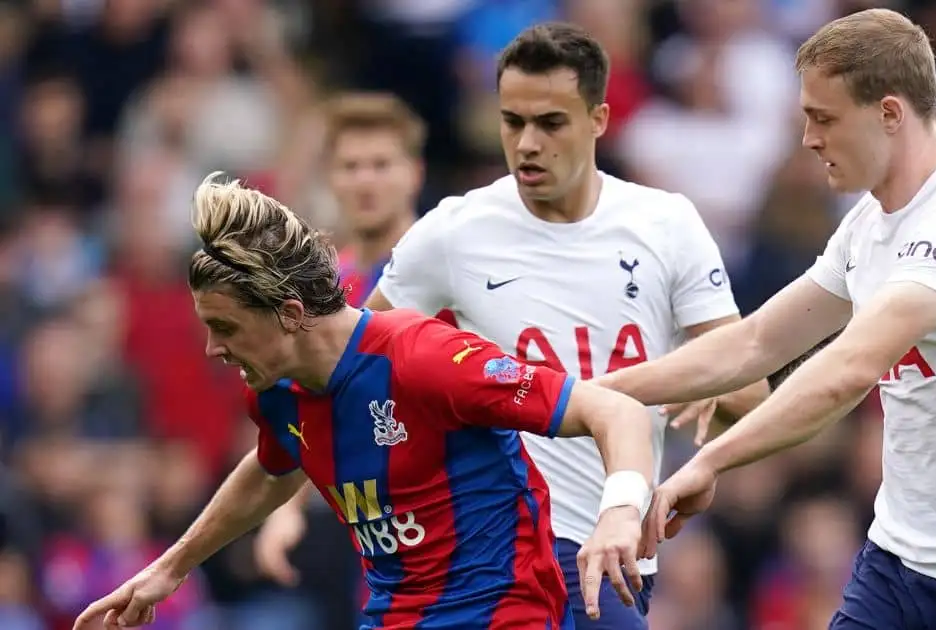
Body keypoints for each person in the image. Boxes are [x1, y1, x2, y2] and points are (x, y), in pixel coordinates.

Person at [254, 21, 768, 630]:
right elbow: (342, 378)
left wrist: (699, 384)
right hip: (501, 554)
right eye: (512, 122)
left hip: (620, 546)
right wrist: (287, 503)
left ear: (599, 119)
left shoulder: (666, 224)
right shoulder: (455, 233)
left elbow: (747, 393)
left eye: (550, 123)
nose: (527, 143)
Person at [599, 9, 936, 630]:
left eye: (823, 118)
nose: (807, 138)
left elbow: (847, 371)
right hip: (897, 558)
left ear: (888, 113)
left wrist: (710, 460)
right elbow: (754, 342)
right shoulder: (868, 223)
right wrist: (595, 395)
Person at [71, 174, 657, 630]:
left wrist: (621, 512)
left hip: (502, 613)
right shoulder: (276, 391)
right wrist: (168, 570)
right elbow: (272, 469)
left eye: (225, 326)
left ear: (291, 315)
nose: (212, 348)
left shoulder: (421, 358)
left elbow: (616, 411)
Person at [252, 92, 455, 626]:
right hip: (375, 533)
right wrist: (287, 510)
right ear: (331, 177)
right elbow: (312, 411)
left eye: (381, 165)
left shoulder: (451, 271)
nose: (366, 181)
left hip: (462, 522)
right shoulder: (322, 292)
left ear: (414, 172)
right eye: (350, 166)